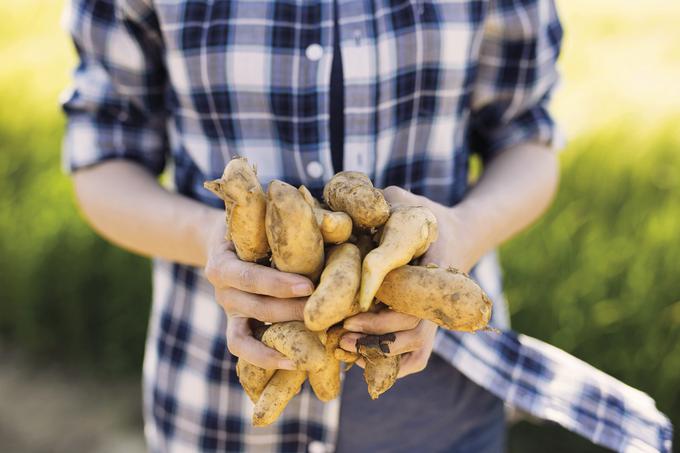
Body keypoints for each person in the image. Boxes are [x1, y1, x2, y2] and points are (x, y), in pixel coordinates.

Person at [62, 0, 671, 452]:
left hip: (438, 402)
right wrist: (208, 239)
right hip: (218, 397)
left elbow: (528, 140)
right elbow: (101, 158)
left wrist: (461, 229)